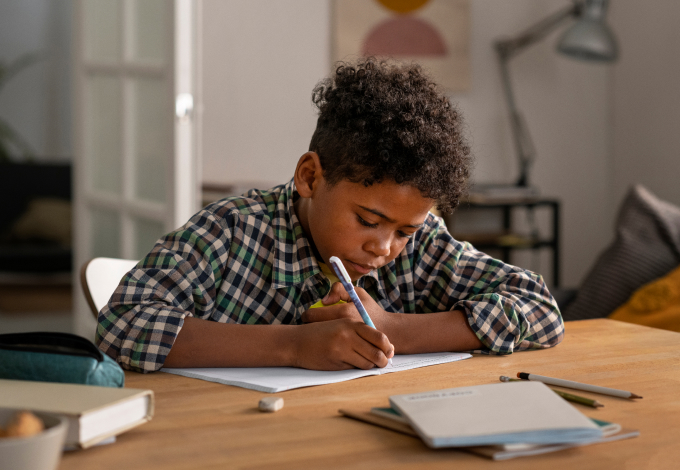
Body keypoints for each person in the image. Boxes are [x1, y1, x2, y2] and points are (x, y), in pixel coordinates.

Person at [96, 58, 564, 373]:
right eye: (367, 220)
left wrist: (394, 328)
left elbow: (541, 310)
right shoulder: (230, 231)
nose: (383, 248)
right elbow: (122, 323)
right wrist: (292, 346)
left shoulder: (421, 247)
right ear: (310, 177)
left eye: (404, 230)